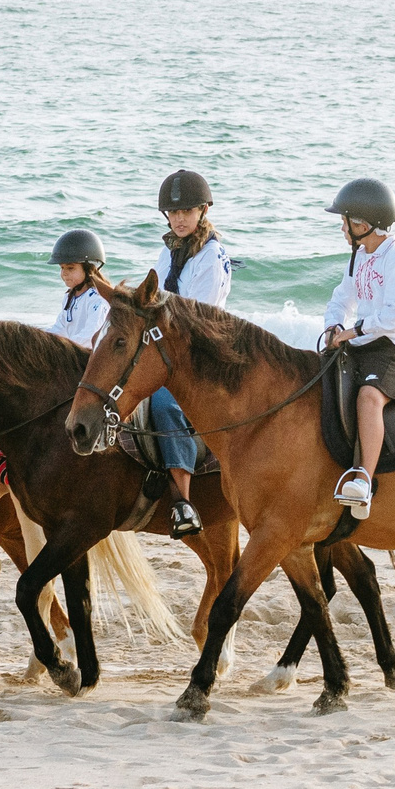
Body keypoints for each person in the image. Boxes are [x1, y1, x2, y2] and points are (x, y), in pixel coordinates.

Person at [320, 177, 395, 519]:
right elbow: (342, 297)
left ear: (363, 225)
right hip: (366, 339)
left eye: (345, 223)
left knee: (369, 396)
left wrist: (353, 331)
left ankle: (363, 479)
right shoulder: (360, 256)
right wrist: (333, 326)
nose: (342, 229)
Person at [142, 170, 232, 538]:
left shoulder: (211, 257)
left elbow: (192, 317)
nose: (179, 219)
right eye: (173, 213)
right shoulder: (170, 251)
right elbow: (154, 300)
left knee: (163, 403)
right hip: (168, 344)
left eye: (187, 212)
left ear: (203, 210)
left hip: (200, 351)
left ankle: (181, 499)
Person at [46, 228, 110, 348]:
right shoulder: (69, 297)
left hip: (89, 356)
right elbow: (60, 328)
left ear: (88, 269)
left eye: (70, 268)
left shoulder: (98, 300)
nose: (64, 273)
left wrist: (64, 348)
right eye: (62, 268)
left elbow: (90, 336)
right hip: (73, 350)